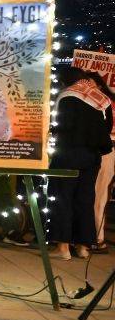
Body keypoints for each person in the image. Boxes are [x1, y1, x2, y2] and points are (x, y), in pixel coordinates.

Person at [48, 66, 114, 260]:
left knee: (62, 198)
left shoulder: (67, 96)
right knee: (85, 200)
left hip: (68, 155)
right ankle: (83, 246)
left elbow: (62, 126)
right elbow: (108, 127)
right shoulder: (102, 99)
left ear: (64, 81)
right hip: (92, 157)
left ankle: (62, 248)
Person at [88, 72, 115, 253]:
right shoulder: (108, 100)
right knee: (100, 193)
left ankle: (97, 238)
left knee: (98, 194)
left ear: (98, 85)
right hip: (108, 148)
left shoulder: (101, 102)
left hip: (106, 149)